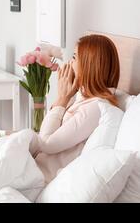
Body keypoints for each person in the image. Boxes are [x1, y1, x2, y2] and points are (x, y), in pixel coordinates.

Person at [29, 34, 121, 183]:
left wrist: (62, 99)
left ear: (88, 65)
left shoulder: (96, 108)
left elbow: (46, 144)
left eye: (74, 57)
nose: (69, 63)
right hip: (36, 168)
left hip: (41, 177)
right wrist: (64, 99)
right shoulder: (83, 99)